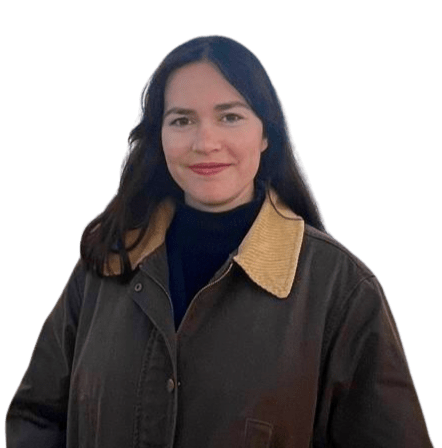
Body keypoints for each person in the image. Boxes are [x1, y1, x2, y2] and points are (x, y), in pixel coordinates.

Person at [5, 34, 435, 448]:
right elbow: (36, 417)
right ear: (159, 135)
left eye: (230, 116)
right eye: (182, 120)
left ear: (266, 134)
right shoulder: (106, 262)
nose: (205, 143)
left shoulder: (340, 290)